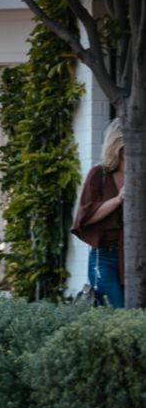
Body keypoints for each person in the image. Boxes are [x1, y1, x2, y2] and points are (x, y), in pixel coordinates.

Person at [73, 118, 126, 308]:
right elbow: (84, 217)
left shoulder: (140, 173)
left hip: (135, 258)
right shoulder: (100, 174)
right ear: (117, 145)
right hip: (105, 257)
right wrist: (118, 199)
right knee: (120, 311)